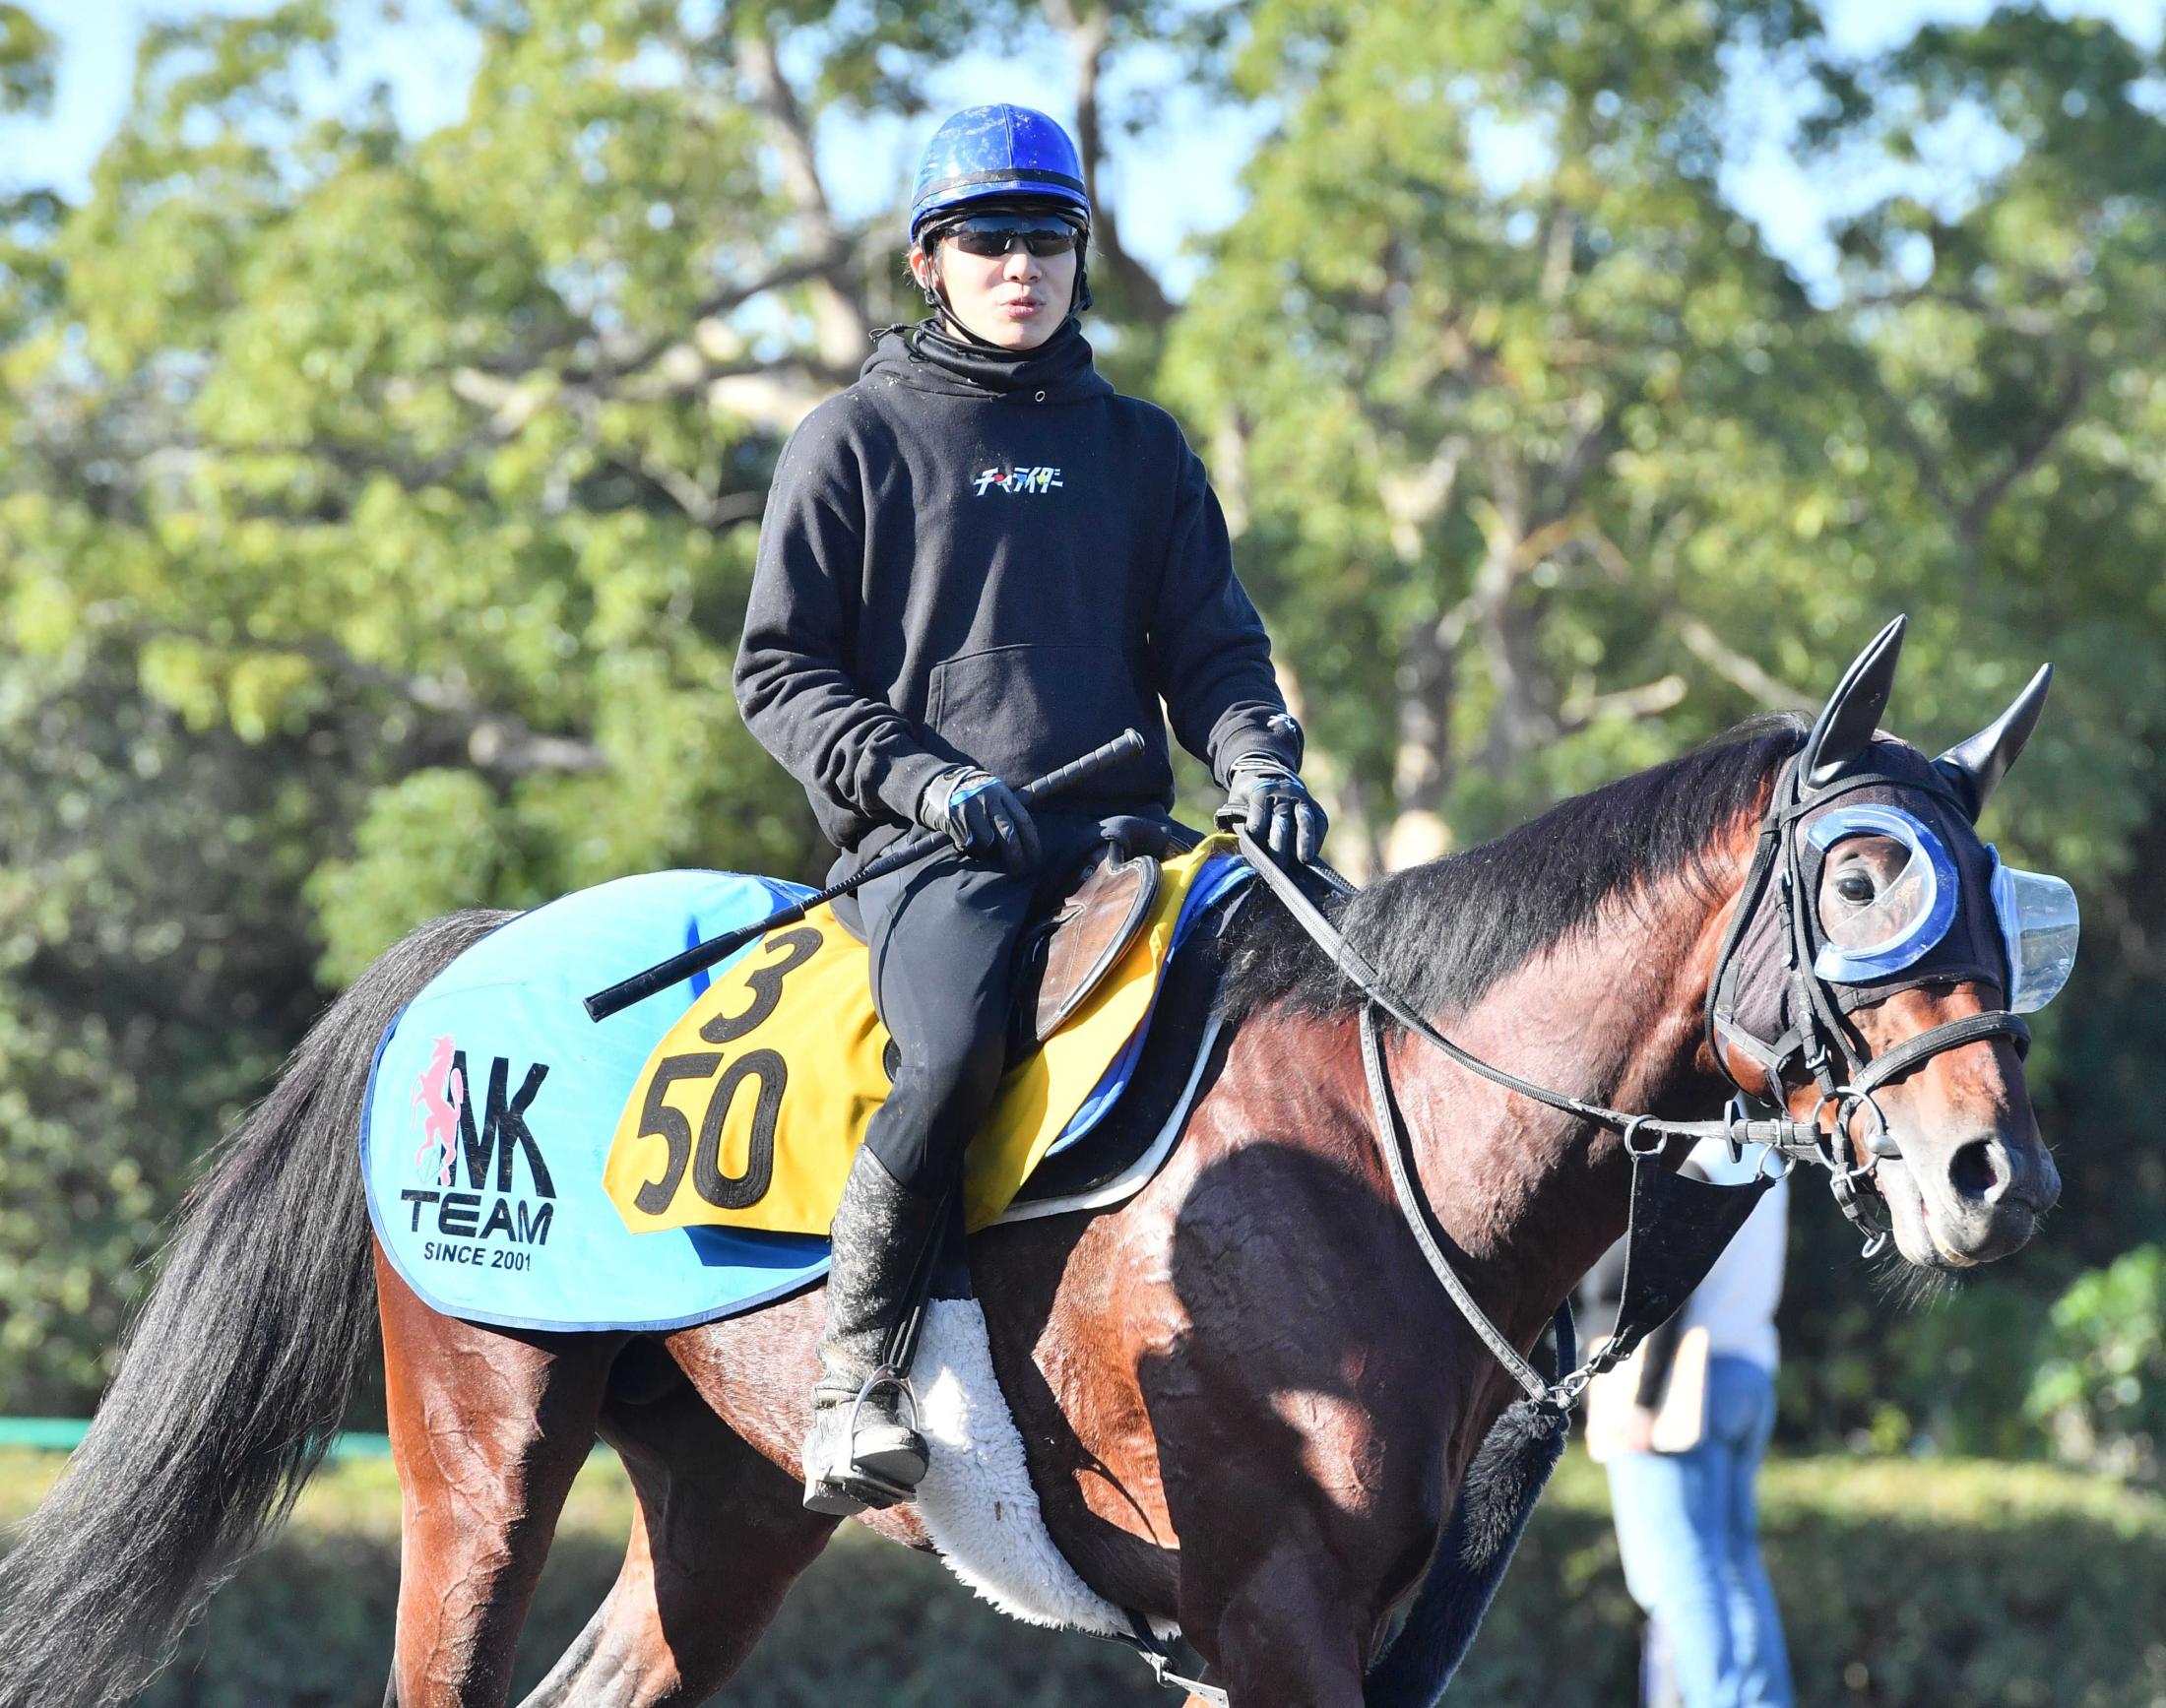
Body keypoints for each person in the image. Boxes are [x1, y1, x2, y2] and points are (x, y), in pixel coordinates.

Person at [733, 103, 1326, 1516]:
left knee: (1319, 981)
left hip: (1122, 837)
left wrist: (1261, 761)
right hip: (940, 848)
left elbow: (1216, 651)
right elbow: (778, 670)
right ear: (930, 261)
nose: (1023, 267)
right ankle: (857, 1372)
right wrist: (922, 776)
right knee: (946, 1055)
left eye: (1048, 240)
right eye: (989, 240)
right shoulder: (853, 437)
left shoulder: (1140, 447)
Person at [1581, 1141, 1794, 1708]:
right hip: (1746, 1365)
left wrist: (1643, 1401)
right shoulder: (1766, 1155)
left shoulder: (1698, 1152)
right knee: (1733, 1566)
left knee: (1679, 1576)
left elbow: (1669, 1268)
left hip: (1677, 1379)